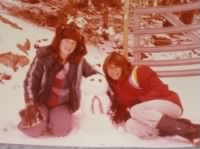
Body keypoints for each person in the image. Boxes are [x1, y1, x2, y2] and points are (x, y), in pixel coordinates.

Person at [18, 25, 98, 137]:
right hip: (42, 101)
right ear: (59, 41)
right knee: (32, 131)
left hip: (63, 104)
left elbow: (96, 77)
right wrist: (30, 103)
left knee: (61, 131)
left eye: (73, 43)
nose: (69, 46)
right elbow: (31, 80)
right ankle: (39, 117)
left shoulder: (79, 61)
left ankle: (53, 119)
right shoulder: (44, 57)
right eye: (66, 41)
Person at [103, 51, 200, 143]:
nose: (113, 71)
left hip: (169, 104)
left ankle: (191, 132)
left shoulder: (139, 72)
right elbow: (122, 106)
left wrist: (139, 101)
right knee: (131, 125)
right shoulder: (116, 85)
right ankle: (174, 127)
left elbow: (161, 89)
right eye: (110, 68)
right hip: (150, 115)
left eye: (117, 67)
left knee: (136, 110)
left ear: (123, 67)